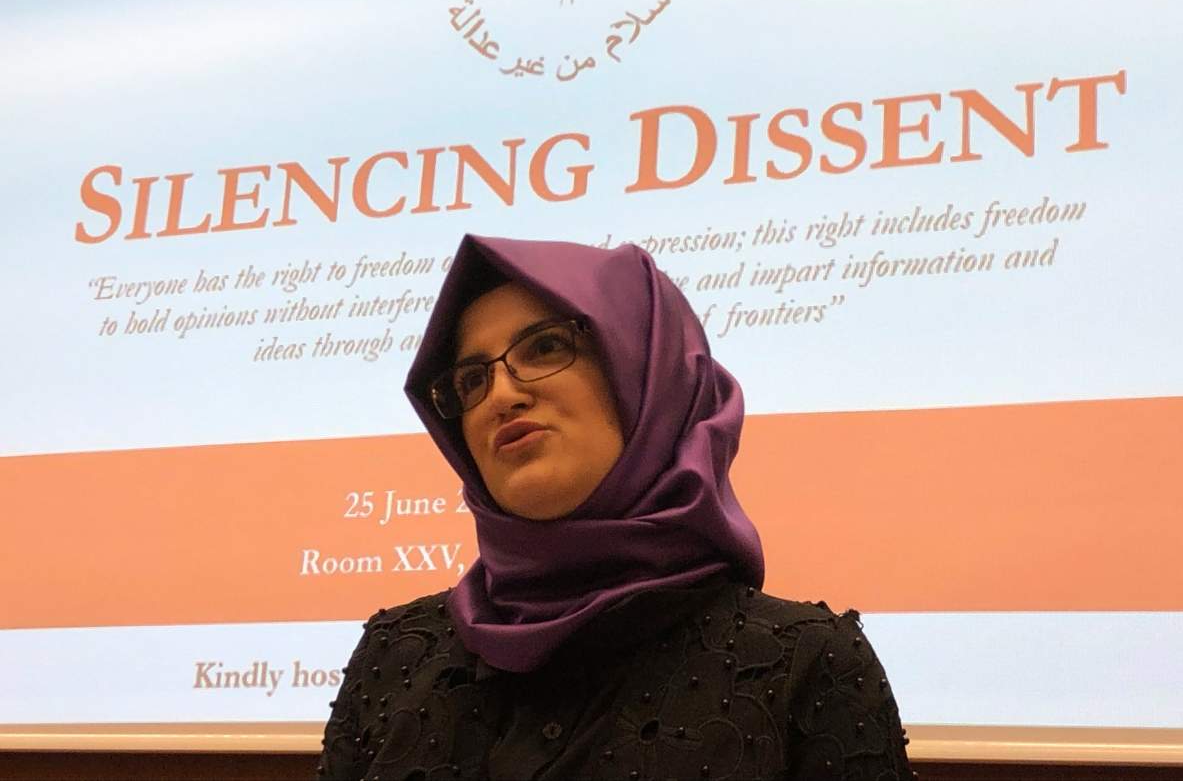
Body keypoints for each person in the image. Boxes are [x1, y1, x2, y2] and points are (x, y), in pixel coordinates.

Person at [317, 235, 914, 780]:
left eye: (545, 345)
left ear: (647, 375)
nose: (501, 394)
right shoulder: (393, 658)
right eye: (472, 379)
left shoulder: (802, 665)